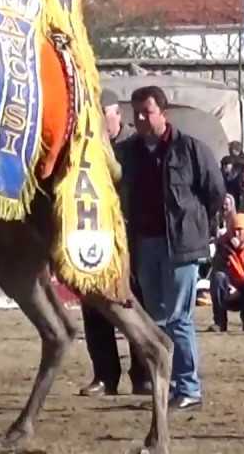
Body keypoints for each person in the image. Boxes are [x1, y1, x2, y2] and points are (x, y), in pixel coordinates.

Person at [117, 85, 225, 411]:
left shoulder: (191, 150)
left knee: (178, 318)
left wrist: (197, 230)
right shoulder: (128, 153)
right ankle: (168, 385)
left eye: (146, 112)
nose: (139, 119)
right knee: (155, 320)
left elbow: (214, 192)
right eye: (135, 114)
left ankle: (188, 386)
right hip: (144, 244)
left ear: (162, 113)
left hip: (181, 246)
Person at [80, 87, 152, 397]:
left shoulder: (135, 146)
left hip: (132, 236)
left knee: (136, 302)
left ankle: (143, 373)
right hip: (95, 233)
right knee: (95, 306)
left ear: (116, 114)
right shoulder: (85, 147)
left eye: (102, 117)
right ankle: (105, 376)